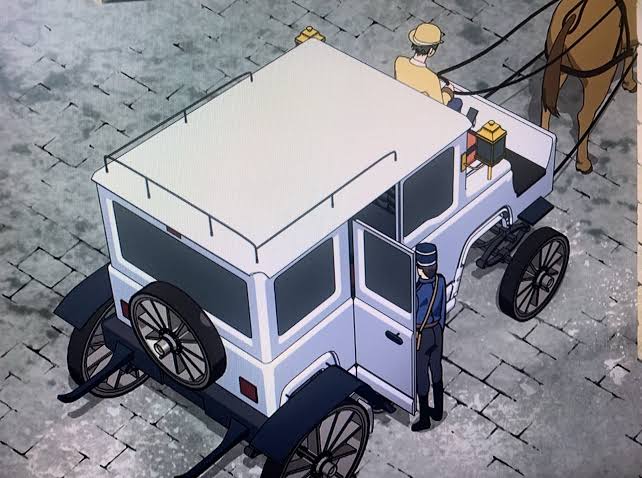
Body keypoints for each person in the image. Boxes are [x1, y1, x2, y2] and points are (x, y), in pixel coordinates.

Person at [412, 242, 447, 432]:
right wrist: (439, 329)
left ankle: (425, 418)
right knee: (436, 369)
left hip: (422, 335)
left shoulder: (416, 291)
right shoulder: (440, 281)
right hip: (436, 332)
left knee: (422, 376)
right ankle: (438, 411)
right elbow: (442, 312)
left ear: (419, 268)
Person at [394, 23, 463, 112]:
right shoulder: (431, 79)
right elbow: (440, 104)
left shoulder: (400, 61)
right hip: (420, 110)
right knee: (457, 102)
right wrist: (448, 91)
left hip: (404, 101)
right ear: (431, 51)